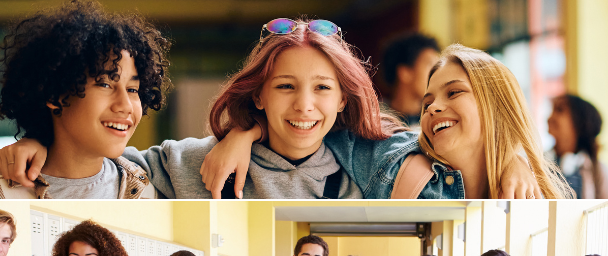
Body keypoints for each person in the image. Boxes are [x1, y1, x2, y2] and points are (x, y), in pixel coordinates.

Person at [0, 20, 540, 199]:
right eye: (284, 87)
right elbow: (111, 170)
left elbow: (451, 155)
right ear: (258, 93)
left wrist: (514, 151)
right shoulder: (195, 163)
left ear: (344, 98)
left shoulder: (373, 161)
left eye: (324, 89)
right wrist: (42, 140)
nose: (305, 107)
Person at [202, 43, 562, 199]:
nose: (434, 108)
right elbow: (313, 126)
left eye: (454, 93)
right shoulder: (390, 158)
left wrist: (516, 157)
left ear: (496, 105)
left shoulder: (535, 195)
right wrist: (244, 131)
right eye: (428, 101)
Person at [0, 0, 167, 199]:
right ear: (54, 93)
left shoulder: (149, 187)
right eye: (105, 84)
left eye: (133, 89)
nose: (125, 105)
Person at [546, 94, 608, 199]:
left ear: (579, 122)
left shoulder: (598, 172)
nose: (550, 118)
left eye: (559, 110)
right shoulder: (538, 163)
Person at [380, 33, 441, 128]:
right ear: (405, 73)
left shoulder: (437, 117)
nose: (437, 73)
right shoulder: (374, 119)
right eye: (430, 65)